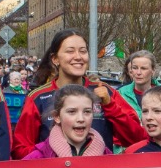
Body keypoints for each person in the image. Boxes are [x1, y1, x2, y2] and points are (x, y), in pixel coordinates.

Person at [15, 30, 144, 157]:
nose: (78, 57)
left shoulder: (105, 92)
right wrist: (50, 156)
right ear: (55, 59)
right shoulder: (38, 97)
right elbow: (20, 150)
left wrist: (110, 106)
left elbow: (137, 139)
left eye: (83, 51)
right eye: (70, 51)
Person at [23, 85, 111, 159]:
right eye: (72, 112)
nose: (81, 119)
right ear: (57, 116)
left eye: (87, 112)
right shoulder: (37, 158)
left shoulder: (108, 157)